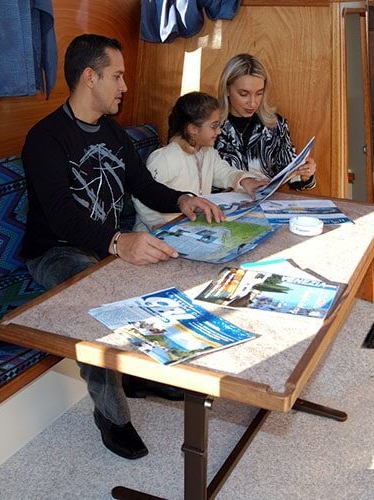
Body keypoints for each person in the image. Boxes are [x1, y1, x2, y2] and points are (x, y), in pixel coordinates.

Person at [21, 34, 224, 461]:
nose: (124, 86)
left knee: (174, 266)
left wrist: (181, 200)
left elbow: (142, 184)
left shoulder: (112, 131)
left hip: (104, 246)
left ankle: (136, 373)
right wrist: (118, 242)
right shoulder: (45, 138)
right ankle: (112, 417)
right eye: (117, 76)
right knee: (94, 298)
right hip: (56, 251)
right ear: (89, 77)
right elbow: (60, 216)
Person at [132, 91, 268, 231]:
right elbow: (142, 196)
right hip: (158, 232)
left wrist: (243, 180)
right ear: (193, 129)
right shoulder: (164, 159)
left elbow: (223, 172)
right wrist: (158, 224)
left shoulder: (207, 152)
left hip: (191, 226)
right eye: (214, 126)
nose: (219, 131)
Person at [214, 53, 317, 190]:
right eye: (244, 94)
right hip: (219, 202)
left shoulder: (275, 124)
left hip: (264, 202)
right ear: (227, 89)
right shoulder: (211, 125)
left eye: (259, 93)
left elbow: (290, 174)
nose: (253, 102)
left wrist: (305, 175)